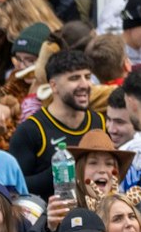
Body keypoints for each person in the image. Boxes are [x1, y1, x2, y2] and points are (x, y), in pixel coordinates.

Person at [9, 49, 105, 196]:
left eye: (87, 77)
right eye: (74, 78)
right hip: (50, 214)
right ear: (53, 86)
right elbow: (15, 187)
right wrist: (59, 172)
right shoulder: (31, 130)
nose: (85, 84)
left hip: (94, 214)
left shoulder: (99, 122)